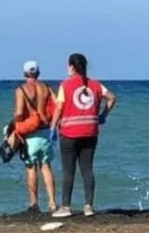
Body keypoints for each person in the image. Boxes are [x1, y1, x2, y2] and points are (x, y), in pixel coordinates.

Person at [49, 53, 117, 218]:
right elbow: (112, 98)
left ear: (72, 66)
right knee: (87, 169)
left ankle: (65, 207)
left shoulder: (66, 85)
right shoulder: (95, 85)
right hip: (90, 131)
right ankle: (88, 206)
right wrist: (103, 115)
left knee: (68, 170)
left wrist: (52, 128)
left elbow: (59, 108)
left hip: (69, 132)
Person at [10, 61, 58, 213]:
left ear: (24, 73)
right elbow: (58, 105)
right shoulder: (47, 87)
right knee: (46, 167)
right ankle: (52, 202)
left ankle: (34, 203)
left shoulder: (21, 90)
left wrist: (15, 128)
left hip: (30, 133)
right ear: (38, 73)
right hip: (45, 132)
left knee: (31, 168)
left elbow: (18, 113)